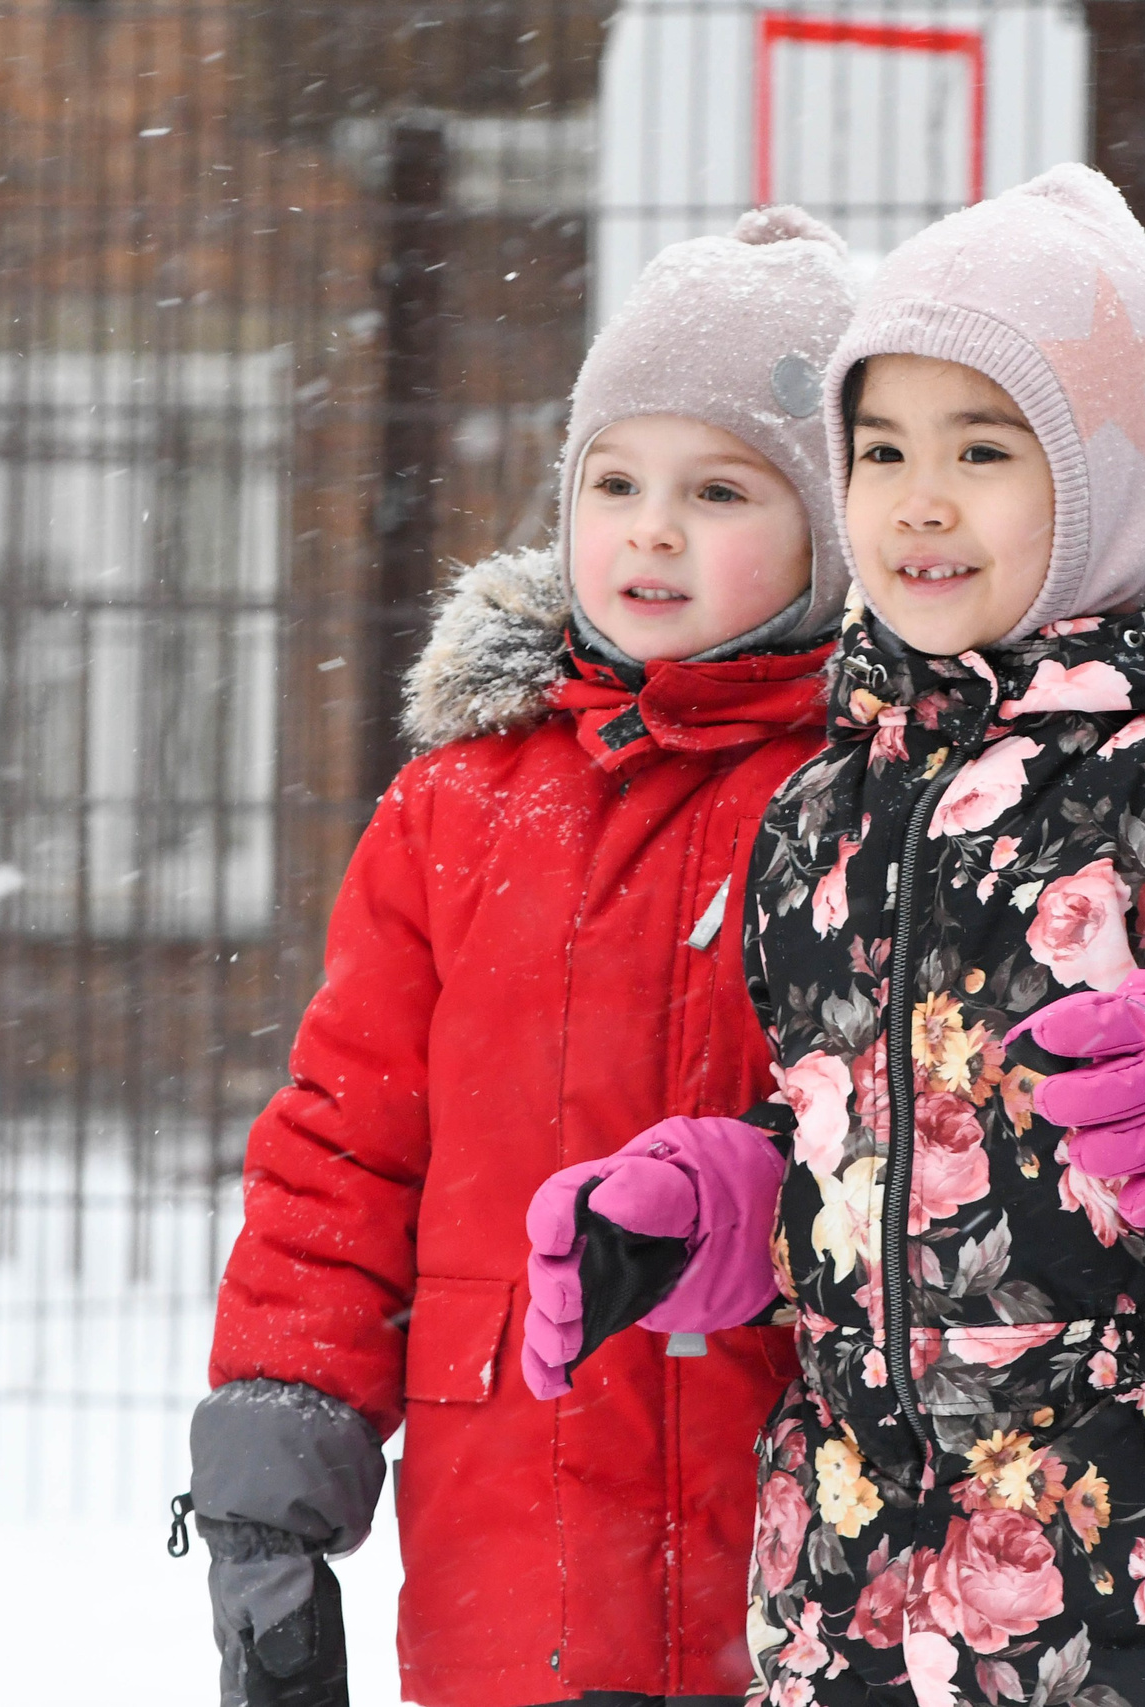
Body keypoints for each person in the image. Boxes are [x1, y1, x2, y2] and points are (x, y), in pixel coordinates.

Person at [523, 163, 1145, 1707]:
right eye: (879, 453)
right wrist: (738, 1208)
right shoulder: (821, 815)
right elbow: (851, 1122)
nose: (917, 501)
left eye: (983, 451)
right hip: (849, 1580)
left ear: (1115, 481)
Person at [184, 208, 858, 1707]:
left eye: (721, 488)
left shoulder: (869, 800)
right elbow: (345, 1149)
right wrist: (272, 1483)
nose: (652, 529)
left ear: (830, 532)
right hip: (515, 1569)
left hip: (798, 1566)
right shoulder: (461, 809)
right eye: (614, 481)